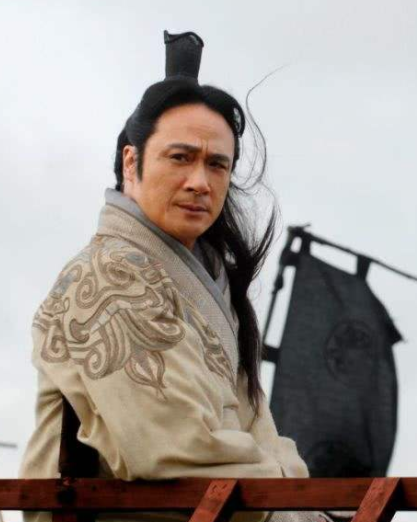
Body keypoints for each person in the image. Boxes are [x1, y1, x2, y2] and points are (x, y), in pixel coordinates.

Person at [19, 31, 325, 522]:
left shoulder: (213, 285)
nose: (200, 182)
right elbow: (174, 450)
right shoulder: (111, 275)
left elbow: (261, 434)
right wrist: (291, 508)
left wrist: (303, 505)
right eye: (180, 157)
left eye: (217, 165)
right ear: (132, 162)